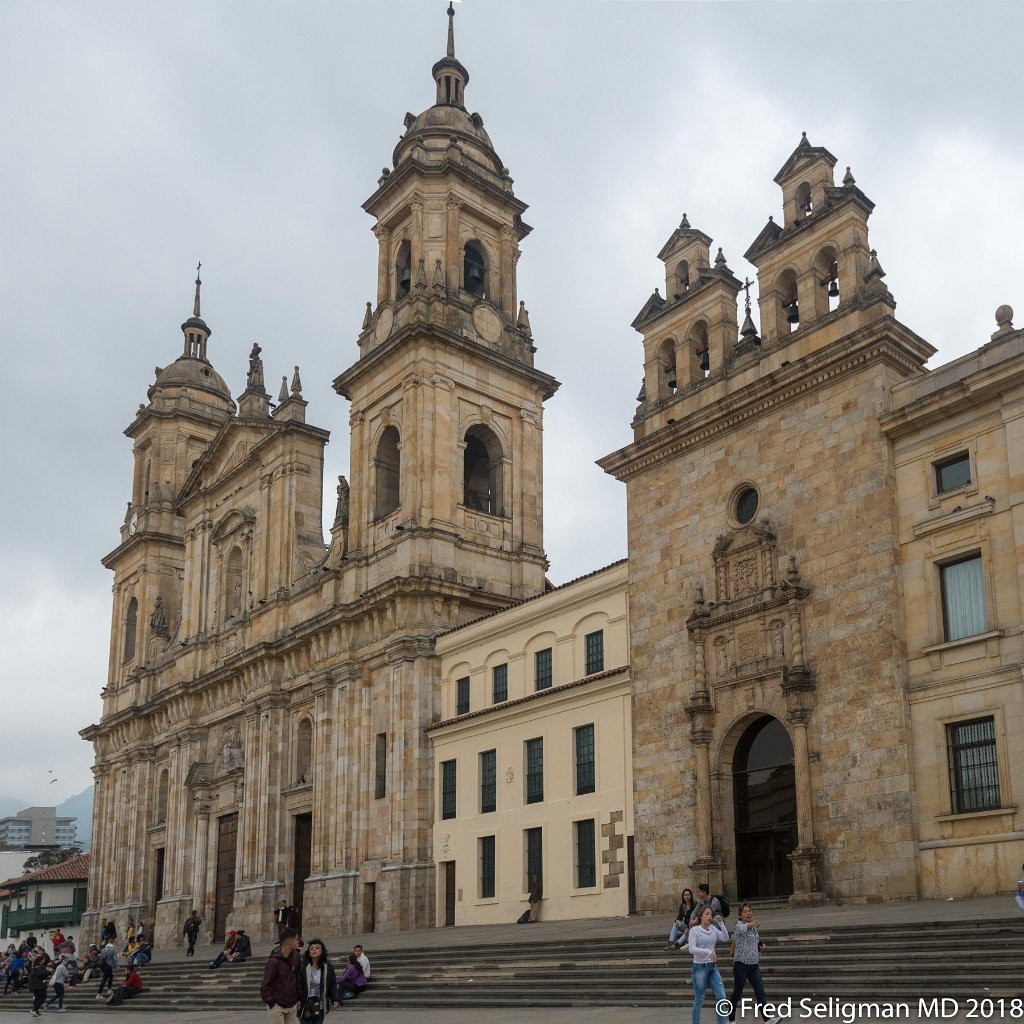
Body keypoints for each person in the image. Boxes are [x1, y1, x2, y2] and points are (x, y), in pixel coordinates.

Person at [687, 905, 729, 1024]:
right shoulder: (695, 930)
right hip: (700, 968)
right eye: (707, 914)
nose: (710, 916)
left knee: (722, 997)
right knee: (699, 999)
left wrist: (721, 923)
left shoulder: (712, 928)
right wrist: (708, 952)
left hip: (712, 967)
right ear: (701, 917)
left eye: (710, 914)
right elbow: (691, 949)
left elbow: (725, 938)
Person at [728, 903, 769, 1023]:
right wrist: (752, 924)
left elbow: (754, 941)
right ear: (740, 915)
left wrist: (760, 946)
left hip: (753, 965)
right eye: (746, 911)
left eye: (750, 911)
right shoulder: (738, 925)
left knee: (760, 991)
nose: (749, 913)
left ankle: (767, 1019)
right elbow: (743, 929)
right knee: (737, 992)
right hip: (741, 965)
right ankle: (731, 1019)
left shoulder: (754, 929)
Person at [261, 927, 301, 1024]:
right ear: (290, 941)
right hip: (277, 1006)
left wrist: (298, 998)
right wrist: (272, 1004)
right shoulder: (273, 962)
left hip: (292, 1005)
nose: (298, 942)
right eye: (296, 939)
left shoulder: (296, 957)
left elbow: (298, 978)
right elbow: (265, 985)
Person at [297, 938, 339, 1023]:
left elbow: (332, 984)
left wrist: (335, 998)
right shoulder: (303, 966)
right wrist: (298, 999)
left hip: (321, 1006)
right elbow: (297, 984)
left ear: (322, 950)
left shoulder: (328, 966)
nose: (314, 950)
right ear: (308, 952)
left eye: (317, 948)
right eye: (311, 948)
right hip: (306, 1005)